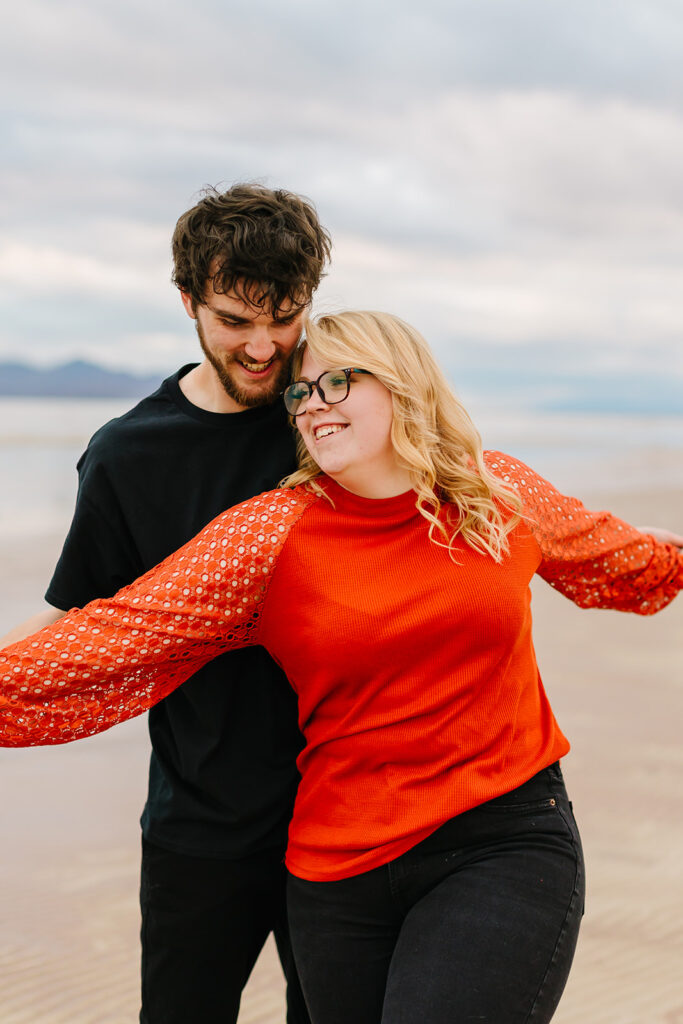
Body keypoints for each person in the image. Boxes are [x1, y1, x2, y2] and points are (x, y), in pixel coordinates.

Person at [2, 310, 682, 1024]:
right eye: (300, 393)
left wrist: (662, 553)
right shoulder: (268, 533)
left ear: (400, 384)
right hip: (337, 872)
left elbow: (616, 559)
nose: (313, 404)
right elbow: (115, 636)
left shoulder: (494, 491)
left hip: (497, 839)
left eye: (337, 381)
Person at [1, 183, 330, 1024]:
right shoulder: (128, 454)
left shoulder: (331, 418)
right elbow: (85, 622)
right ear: (187, 301)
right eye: (233, 319)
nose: (264, 347)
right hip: (201, 818)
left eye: (284, 316)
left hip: (346, 806)